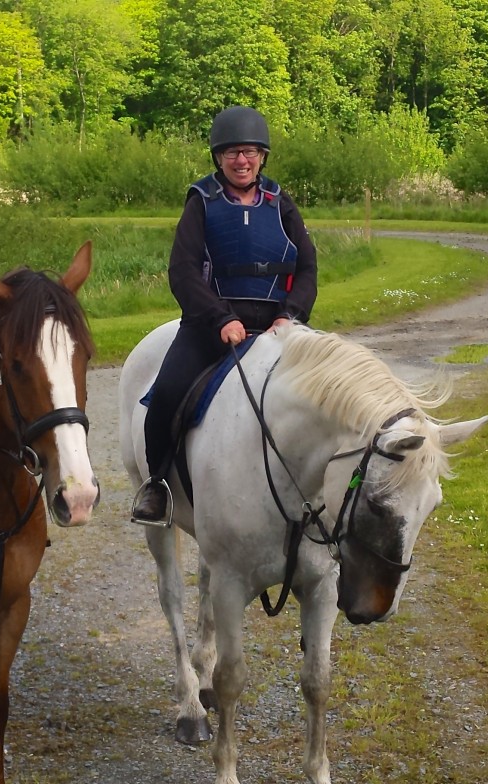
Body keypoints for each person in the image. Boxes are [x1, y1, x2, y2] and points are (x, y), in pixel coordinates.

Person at [131, 105, 318, 524]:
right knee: (165, 394)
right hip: (210, 327)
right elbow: (182, 272)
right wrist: (219, 319)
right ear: (218, 157)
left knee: (328, 391)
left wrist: (290, 316)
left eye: (250, 152)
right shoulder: (201, 202)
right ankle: (158, 485)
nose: (242, 160)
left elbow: (306, 268)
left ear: (262, 156)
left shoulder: (281, 203)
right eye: (232, 152)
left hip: (277, 328)